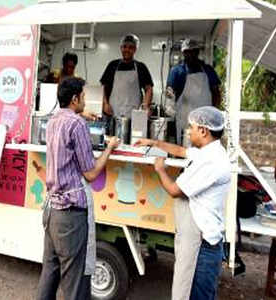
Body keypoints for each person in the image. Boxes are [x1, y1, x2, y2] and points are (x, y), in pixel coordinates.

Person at [135, 106, 231, 300]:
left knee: (196, 294)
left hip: (202, 246)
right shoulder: (209, 150)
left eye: (192, 127)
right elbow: (181, 151)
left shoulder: (211, 161)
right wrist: (153, 142)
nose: (189, 131)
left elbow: (175, 191)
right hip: (198, 240)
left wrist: (160, 169)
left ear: (203, 131)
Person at [36, 77, 119, 300]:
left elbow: (68, 127)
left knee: (50, 275)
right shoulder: (77, 124)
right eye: (83, 97)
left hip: (52, 210)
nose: (85, 100)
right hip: (71, 216)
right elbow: (91, 173)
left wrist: (81, 115)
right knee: (75, 284)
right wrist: (109, 148)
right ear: (74, 99)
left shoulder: (54, 120)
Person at [166, 38, 221, 145]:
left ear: (197, 52)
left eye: (193, 52)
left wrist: (213, 113)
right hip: (184, 119)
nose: (190, 55)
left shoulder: (208, 70)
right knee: (184, 148)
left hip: (204, 121)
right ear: (183, 53)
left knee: (204, 149)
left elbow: (216, 93)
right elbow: (169, 91)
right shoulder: (177, 71)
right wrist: (170, 105)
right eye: (187, 52)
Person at [100, 34, 153, 118]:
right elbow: (103, 87)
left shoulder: (141, 67)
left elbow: (148, 88)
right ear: (121, 48)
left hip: (134, 114)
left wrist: (145, 105)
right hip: (113, 112)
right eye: (124, 47)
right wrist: (105, 104)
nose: (127, 50)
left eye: (130, 47)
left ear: (135, 49)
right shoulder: (112, 65)